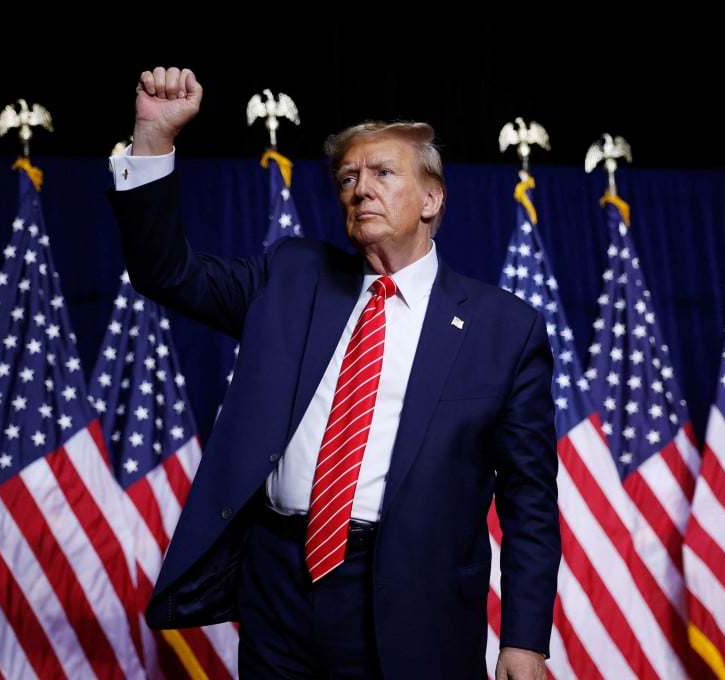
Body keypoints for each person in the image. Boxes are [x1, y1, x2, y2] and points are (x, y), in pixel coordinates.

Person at [108, 66, 561, 680]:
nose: (360, 189)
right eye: (348, 177)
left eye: (383, 173)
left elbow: (529, 499)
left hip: (410, 598)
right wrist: (153, 141)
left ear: (432, 200)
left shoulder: (504, 328)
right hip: (277, 585)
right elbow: (166, 273)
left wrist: (525, 639)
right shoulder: (291, 275)